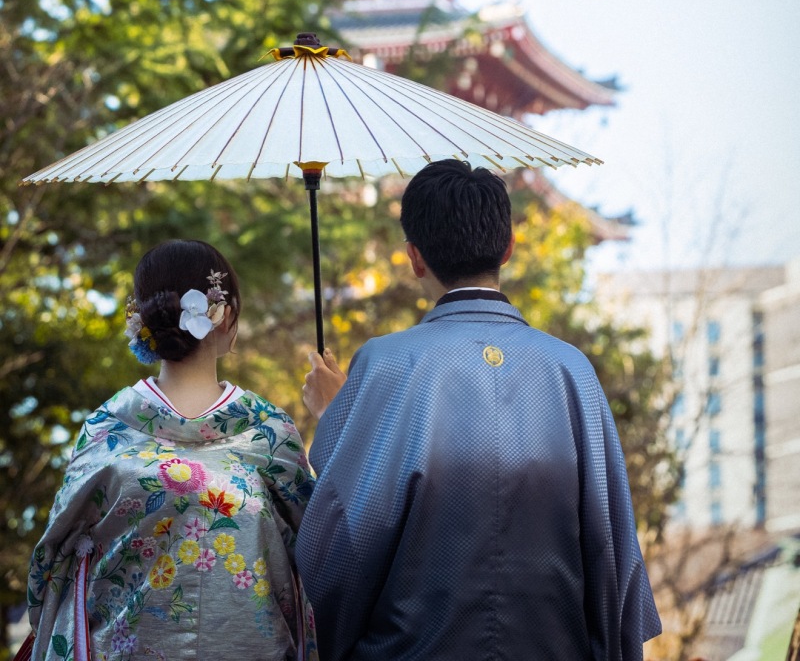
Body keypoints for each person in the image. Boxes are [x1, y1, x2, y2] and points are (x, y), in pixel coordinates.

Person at [296, 160, 662, 661]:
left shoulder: (387, 364)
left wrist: (335, 413)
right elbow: (612, 543)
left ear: (414, 257)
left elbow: (346, 539)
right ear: (508, 247)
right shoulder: (570, 370)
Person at [27, 239, 316, 661]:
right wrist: (335, 416)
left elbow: (50, 565)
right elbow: (322, 549)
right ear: (226, 315)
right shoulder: (269, 433)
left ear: (142, 319)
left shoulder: (107, 430)